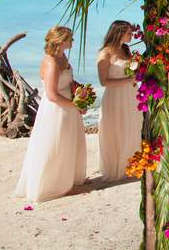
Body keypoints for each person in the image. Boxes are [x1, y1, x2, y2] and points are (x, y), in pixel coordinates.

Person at [14, 26, 87, 201]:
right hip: (57, 109)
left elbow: (67, 80)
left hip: (68, 106)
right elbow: (52, 94)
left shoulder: (63, 57)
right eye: (70, 38)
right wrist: (74, 105)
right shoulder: (51, 62)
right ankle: (49, 185)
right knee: (54, 143)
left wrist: (80, 90)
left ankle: (67, 179)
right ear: (61, 41)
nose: (73, 41)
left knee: (68, 143)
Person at [96, 20, 141, 181]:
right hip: (115, 97)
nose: (132, 35)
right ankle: (119, 167)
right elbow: (103, 81)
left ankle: (132, 164)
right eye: (129, 33)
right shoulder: (105, 53)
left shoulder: (125, 49)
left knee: (132, 127)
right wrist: (129, 80)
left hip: (131, 95)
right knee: (117, 129)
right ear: (119, 33)